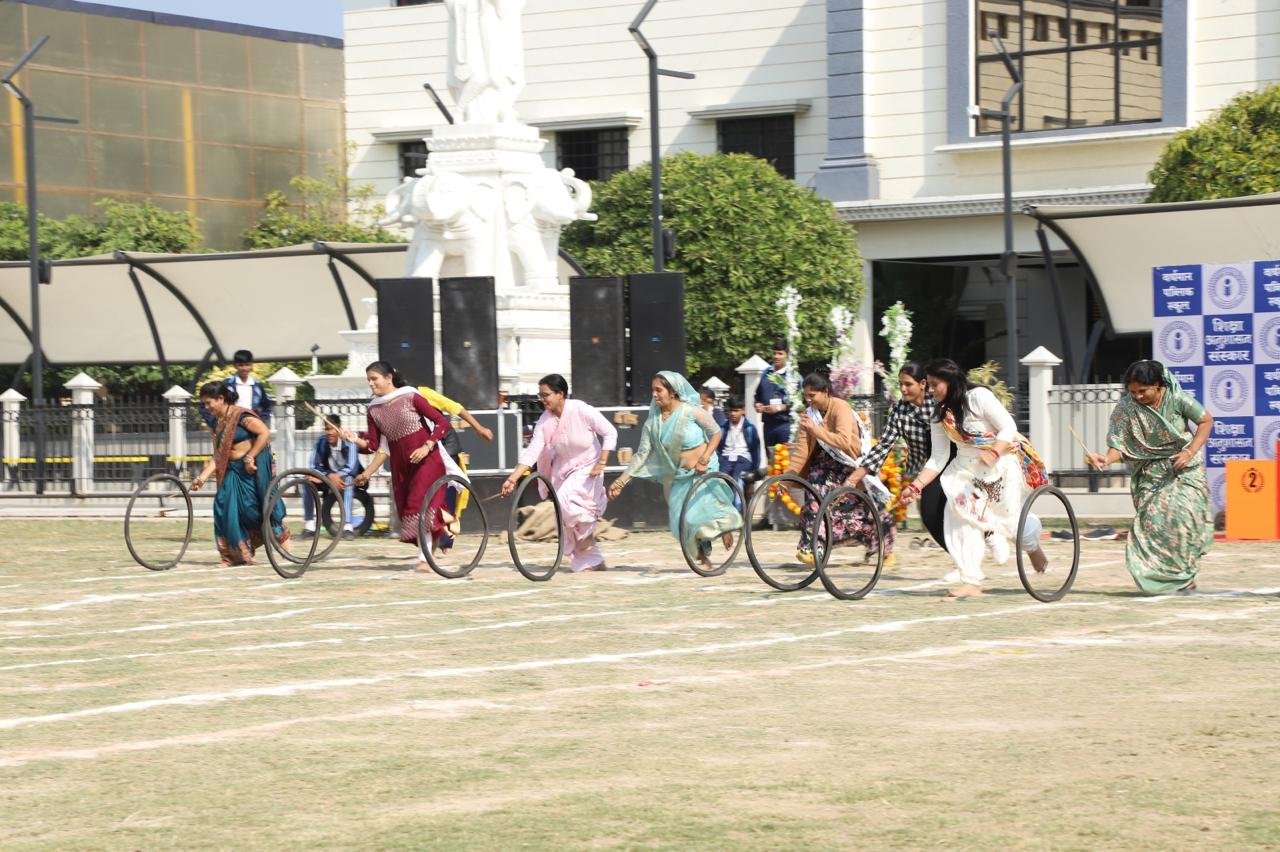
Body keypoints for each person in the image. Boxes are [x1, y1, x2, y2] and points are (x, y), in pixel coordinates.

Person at [900, 359, 1049, 599]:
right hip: (964, 471)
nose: (930, 390)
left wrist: (994, 452)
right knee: (958, 516)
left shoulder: (978, 397)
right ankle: (971, 581)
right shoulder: (939, 414)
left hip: (1000, 465)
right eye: (929, 385)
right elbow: (938, 458)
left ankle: (1032, 546)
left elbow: (1008, 427)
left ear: (950, 381)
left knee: (1010, 522)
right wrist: (916, 486)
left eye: (935, 385)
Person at [1086, 359, 1213, 594]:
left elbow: (1206, 420)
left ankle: (1185, 574)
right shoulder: (1126, 408)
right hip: (1150, 473)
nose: (1137, 396)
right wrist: (1106, 459)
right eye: (1133, 392)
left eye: (1143, 391)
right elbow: (1118, 444)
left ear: (1157, 385)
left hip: (1184, 468)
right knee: (1153, 523)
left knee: (1184, 517)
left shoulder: (1177, 399)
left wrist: (1189, 451)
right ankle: (1163, 578)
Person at [608, 371, 743, 571]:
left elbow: (716, 432)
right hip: (679, 477)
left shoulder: (690, 411)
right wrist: (621, 481)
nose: (654, 394)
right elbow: (642, 455)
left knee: (703, 514)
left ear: (672, 392)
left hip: (704, 471)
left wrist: (705, 458)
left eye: (659, 390)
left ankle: (724, 529)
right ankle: (702, 558)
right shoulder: (652, 424)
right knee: (682, 522)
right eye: (653, 390)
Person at [499, 374, 617, 572]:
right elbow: (532, 452)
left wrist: (602, 462)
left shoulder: (580, 409)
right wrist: (513, 478)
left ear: (560, 394)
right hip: (563, 472)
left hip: (589, 468)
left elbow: (610, 432)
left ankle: (587, 541)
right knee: (564, 515)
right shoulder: (544, 421)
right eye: (540, 395)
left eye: (546, 395)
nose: (542, 399)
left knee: (564, 501)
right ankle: (594, 561)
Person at [352, 361, 455, 569]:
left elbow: (442, 423)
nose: (371, 383)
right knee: (408, 513)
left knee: (418, 506)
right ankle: (439, 532)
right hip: (401, 469)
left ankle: (424, 560)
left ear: (389, 378)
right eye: (368, 380)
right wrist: (353, 440)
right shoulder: (373, 409)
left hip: (427, 461)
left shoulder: (411, 396)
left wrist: (427, 446)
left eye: (374, 379)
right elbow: (373, 446)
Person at [787, 373, 897, 566]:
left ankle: (885, 549)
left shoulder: (841, 407)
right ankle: (813, 547)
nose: (808, 399)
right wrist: (788, 477)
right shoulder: (809, 415)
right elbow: (801, 450)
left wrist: (815, 430)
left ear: (826, 392)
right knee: (814, 495)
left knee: (866, 510)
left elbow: (844, 441)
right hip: (822, 467)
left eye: (812, 395)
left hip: (849, 465)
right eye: (806, 395)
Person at [845, 361, 949, 550]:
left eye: (908, 384)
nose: (903, 389)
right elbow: (884, 445)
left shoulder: (938, 403)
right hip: (924, 470)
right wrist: (855, 476)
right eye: (900, 384)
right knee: (930, 516)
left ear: (923, 384)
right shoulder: (899, 411)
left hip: (951, 463)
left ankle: (984, 537)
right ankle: (957, 553)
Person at [191, 381, 287, 566]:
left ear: (221, 399)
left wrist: (251, 456)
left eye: (209, 403)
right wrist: (201, 478)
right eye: (204, 403)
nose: (206, 407)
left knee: (252, 512)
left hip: (249, 472)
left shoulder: (241, 416)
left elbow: (264, 433)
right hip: (232, 473)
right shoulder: (218, 423)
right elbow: (219, 456)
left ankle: (279, 538)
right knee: (222, 507)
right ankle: (232, 556)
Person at [299, 414, 362, 541]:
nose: (328, 433)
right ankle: (310, 527)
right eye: (326, 429)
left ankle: (348, 527)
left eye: (331, 429)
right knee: (307, 481)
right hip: (327, 478)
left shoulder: (349, 442)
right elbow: (313, 466)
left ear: (339, 429)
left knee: (348, 479)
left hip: (348, 479)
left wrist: (335, 477)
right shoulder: (321, 442)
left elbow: (351, 467)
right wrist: (328, 477)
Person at [198, 350, 273, 429]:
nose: (244, 368)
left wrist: (260, 421)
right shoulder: (227, 384)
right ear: (235, 366)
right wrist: (213, 422)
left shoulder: (257, 386)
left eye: (247, 365)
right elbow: (204, 404)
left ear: (251, 365)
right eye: (241, 365)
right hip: (230, 426)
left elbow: (267, 406)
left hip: (252, 427)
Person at [754, 340, 802, 452]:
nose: (776, 356)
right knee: (771, 459)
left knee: (785, 459)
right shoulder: (766, 374)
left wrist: (781, 407)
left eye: (780, 353)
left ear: (787, 355)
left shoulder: (794, 376)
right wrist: (758, 405)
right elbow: (757, 396)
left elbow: (801, 403)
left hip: (786, 426)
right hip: (768, 426)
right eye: (774, 353)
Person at [717, 394, 761, 509]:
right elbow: (719, 448)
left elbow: (756, 450)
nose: (733, 414)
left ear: (743, 410)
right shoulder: (723, 427)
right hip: (726, 458)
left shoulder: (750, 428)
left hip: (743, 459)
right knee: (720, 479)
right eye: (731, 410)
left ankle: (737, 509)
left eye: (736, 411)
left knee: (737, 479)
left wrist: (754, 471)